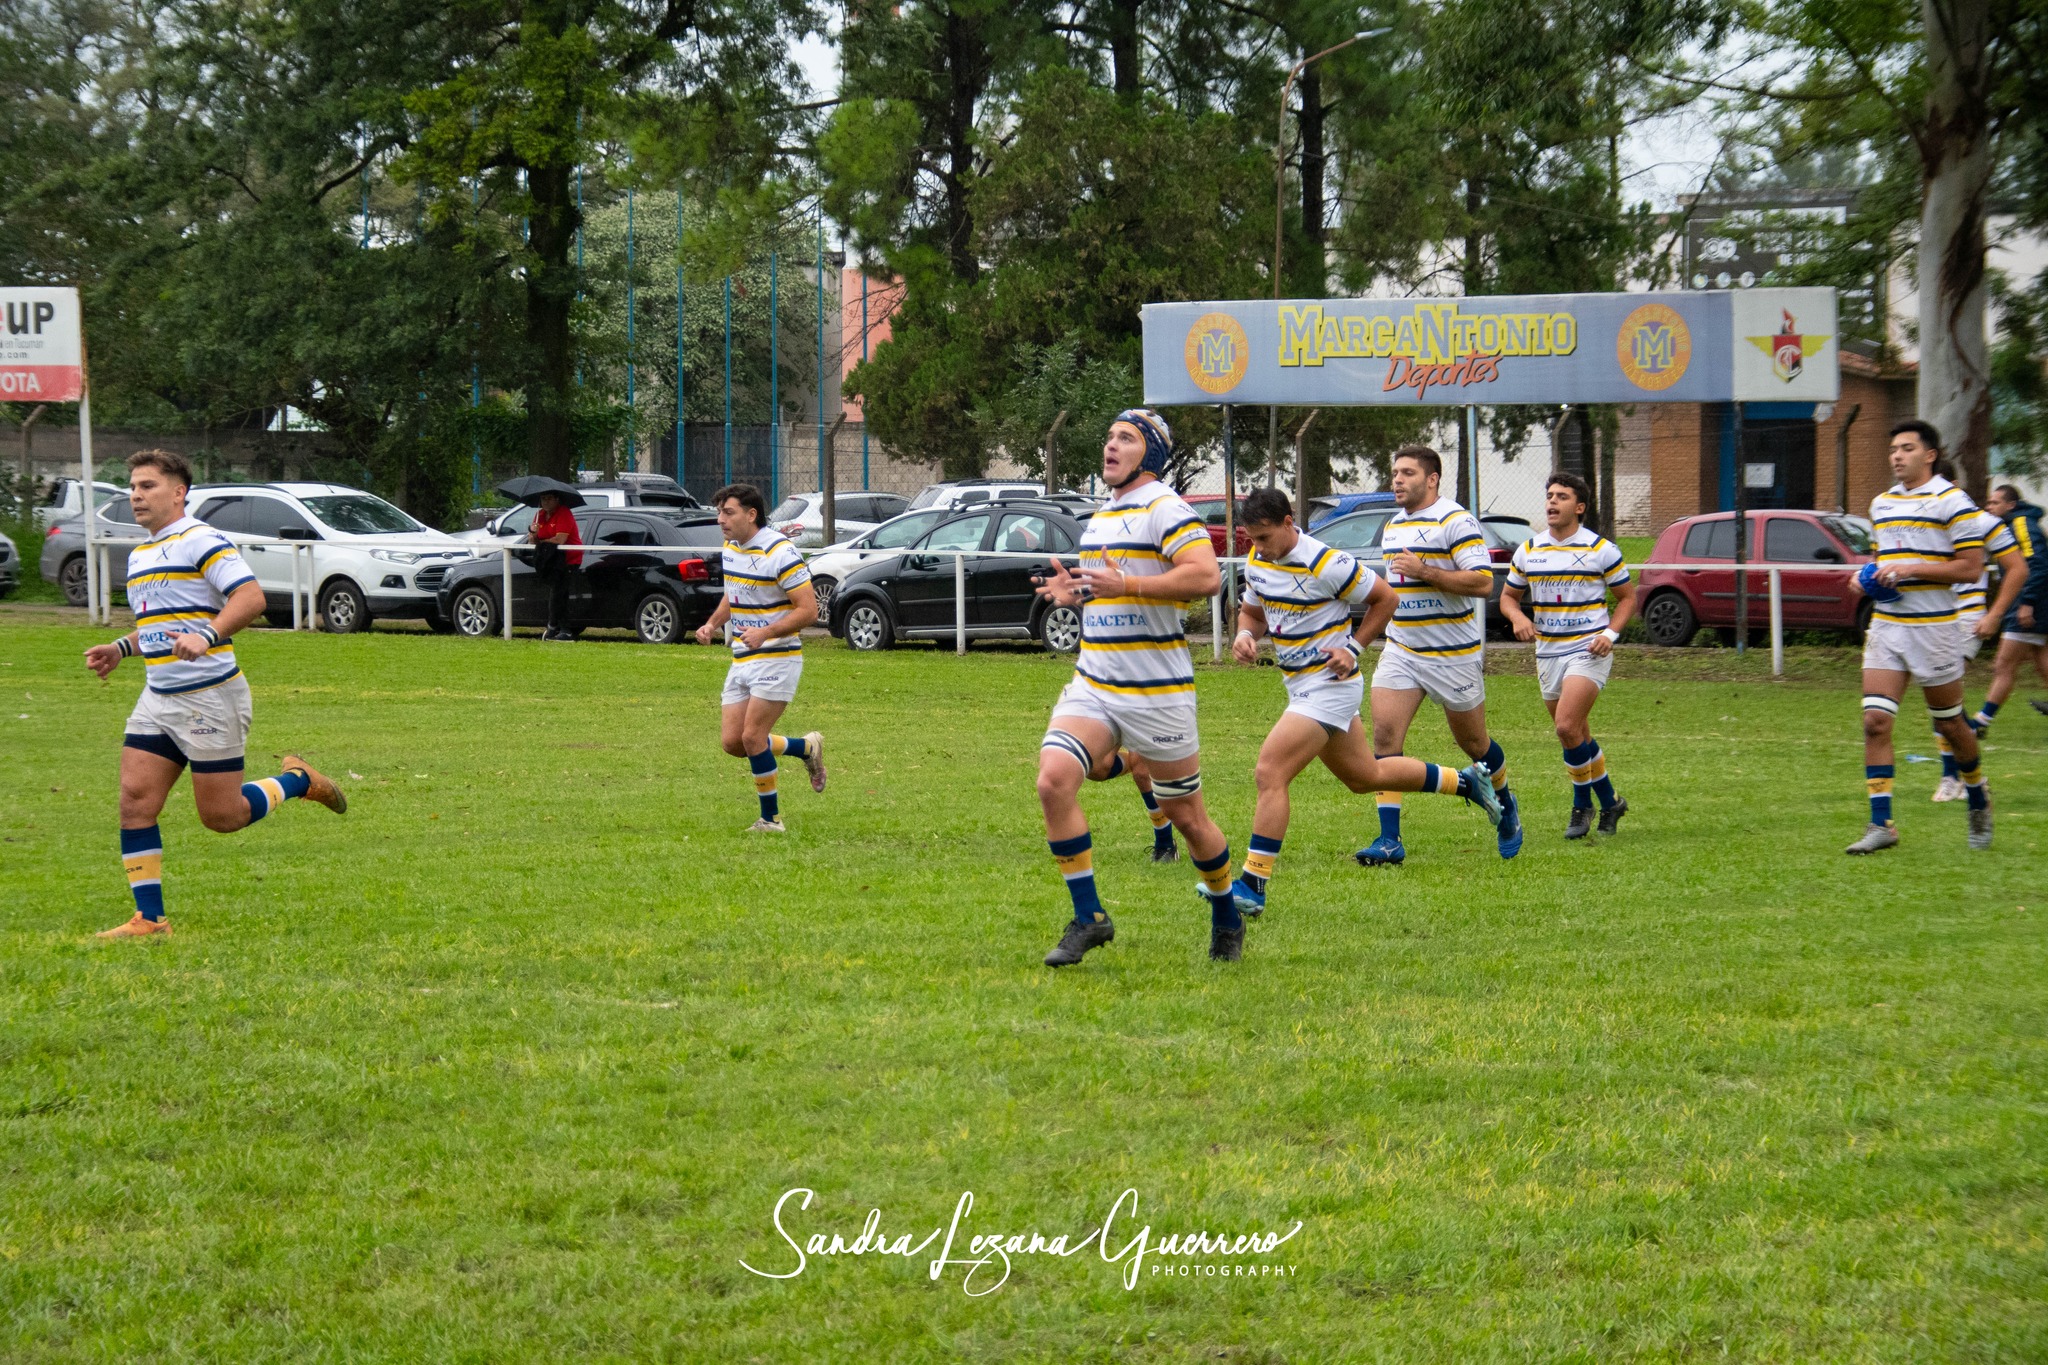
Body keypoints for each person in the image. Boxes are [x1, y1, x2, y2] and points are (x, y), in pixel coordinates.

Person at [84, 450, 347, 939]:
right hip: (158, 698)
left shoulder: (201, 539)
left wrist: (208, 635)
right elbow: (163, 628)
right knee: (134, 802)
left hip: (210, 697)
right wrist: (122, 647)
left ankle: (297, 779)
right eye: (133, 487)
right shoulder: (141, 554)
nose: (136, 495)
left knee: (223, 818)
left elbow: (249, 598)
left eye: (147, 486)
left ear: (179, 492)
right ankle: (150, 919)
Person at [1225, 488, 1503, 917]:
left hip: (1330, 686)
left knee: (1270, 771)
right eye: (1252, 539)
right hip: (1299, 685)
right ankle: (1466, 782)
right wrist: (1245, 634)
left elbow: (1386, 599)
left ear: (1287, 523)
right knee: (1365, 776)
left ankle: (1253, 884)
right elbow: (1254, 613)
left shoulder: (1327, 561)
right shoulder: (1260, 561)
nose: (1258, 547)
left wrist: (1352, 648)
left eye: (1264, 537)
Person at [1033, 409, 1244, 964]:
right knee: (1054, 780)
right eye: (1108, 437)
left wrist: (1124, 581)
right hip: (1095, 679)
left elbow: (1204, 577)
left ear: (1149, 453)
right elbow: (1110, 591)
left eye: (1124, 438)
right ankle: (1090, 917)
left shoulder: (1165, 508)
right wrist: (1075, 593)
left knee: (1189, 819)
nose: (1109, 446)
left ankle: (1226, 912)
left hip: (1157, 690)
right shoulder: (1102, 515)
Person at [1358, 444, 1522, 867]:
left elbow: (1484, 583)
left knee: (1475, 744)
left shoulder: (1457, 520)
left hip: (1453, 656)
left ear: (1432, 479)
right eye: (1395, 472)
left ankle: (1505, 805)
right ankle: (1389, 840)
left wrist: (1426, 571)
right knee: (1384, 740)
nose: (1397, 479)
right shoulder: (1393, 525)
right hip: (1403, 649)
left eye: (1408, 473)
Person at [1848, 420, 1999, 854]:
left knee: (1950, 723)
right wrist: (1866, 580)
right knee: (1875, 721)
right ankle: (1882, 825)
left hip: (1935, 630)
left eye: (1907, 448)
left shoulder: (1954, 502)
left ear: (1929, 455)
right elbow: (1882, 562)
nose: (1897, 455)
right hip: (1889, 627)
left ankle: (1976, 792)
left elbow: (1971, 569)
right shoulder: (1881, 504)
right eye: (1894, 448)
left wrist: (1914, 569)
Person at [1498, 471, 1638, 838]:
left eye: (1561, 496)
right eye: (1549, 495)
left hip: (1588, 648)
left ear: (1579, 507)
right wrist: (1517, 618)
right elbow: (1507, 598)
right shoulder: (1529, 550)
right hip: (1548, 652)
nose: (1551, 502)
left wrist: (1610, 633)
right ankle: (1611, 802)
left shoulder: (1600, 550)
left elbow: (1628, 598)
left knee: (1565, 725)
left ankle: (1582, 806)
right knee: (1575, 733)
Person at [694, 482, 826, 832]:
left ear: (751, 515)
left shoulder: (781, 552)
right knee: (734, 743)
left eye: (728, 512)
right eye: (719, 512)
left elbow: (809, 611)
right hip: (743, 656)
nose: (721, 519)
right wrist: (712, 624)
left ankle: (771, 820)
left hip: (778, 656)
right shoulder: (731, 547)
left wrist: (766, 632)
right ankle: (805, 747)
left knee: (753, 737)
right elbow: (734, 592)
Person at [1931, 493, 2028, 799]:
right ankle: (1960, 776)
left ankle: (1957, 777)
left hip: (1966, 620)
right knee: (1941, 703)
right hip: (1931, 617)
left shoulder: (1982, 522)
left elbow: (2018, 567)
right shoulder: (1923, 521)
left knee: (1945, 700)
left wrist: (1995, 615)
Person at [1968, 484, 2047, 731]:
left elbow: (2039, 565)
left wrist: (2027, 603)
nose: (1989, 507)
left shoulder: (2021, 524)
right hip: (2035, 602)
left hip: (2031, 604)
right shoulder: (2011, 526)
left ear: (2010, 505)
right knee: (2041, 660)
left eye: (1994, 503)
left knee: (2003, 664)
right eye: (1988, 503)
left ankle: (1981, 722)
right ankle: (1982, 721)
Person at [527, 489, 584, 641]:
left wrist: (542, 542)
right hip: (550, 560)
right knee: (556, 592)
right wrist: (532, 533)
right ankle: (554, 627)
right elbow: (532, 541)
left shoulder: (564, 512)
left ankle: (563, 629)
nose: (545, 502)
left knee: (559, 592)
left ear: (557, 499)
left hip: (568, 559)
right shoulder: (539, 515)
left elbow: (560, 540)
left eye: (549, 498)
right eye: (543, 498)